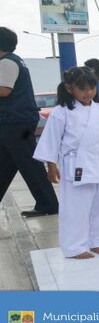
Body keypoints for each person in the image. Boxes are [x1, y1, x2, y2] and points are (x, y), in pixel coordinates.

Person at [33, 67, 99, 259]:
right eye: (83, 89)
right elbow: (51, 140)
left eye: (92, 88)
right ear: (70, 89)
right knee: (75, 208)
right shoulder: (61, 112)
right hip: (76, 164)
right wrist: (51, 164)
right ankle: (75, 247)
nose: (88, 93)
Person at [0, 27, 59, 218]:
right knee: (7, 163)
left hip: (16, 122)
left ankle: (48, 204)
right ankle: (47, 203)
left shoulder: (7, 63)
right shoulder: (14, 61)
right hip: (16, 121)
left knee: (28, 162)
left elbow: (4, 91)